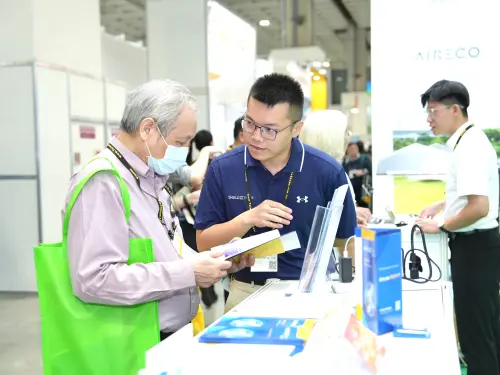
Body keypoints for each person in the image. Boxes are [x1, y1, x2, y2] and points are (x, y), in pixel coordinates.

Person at [66, 79, 254, 340]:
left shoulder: (151, 177)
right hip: (133, 342)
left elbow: (168, 249)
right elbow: (94, 280)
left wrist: (214, 261)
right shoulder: (104, 183)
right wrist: (188, 272)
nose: (185, 151)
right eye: (180, 141)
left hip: (168, 334)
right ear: (147, 129)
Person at [194, 73, 357, 312]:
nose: (256, 137)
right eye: (250, 123)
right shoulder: (223, 168)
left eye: (270, 130)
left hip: (308, 292)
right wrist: (246, 219)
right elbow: (203, 242)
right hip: (244, 291)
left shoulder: (326, 171)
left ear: (296, 128)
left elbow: (347, 242)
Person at [415, 80, 500, 375]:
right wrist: (443, 205)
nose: (429, 119)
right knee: (486, 329)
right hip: (480, 247)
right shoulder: (469, 141)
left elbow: (479, 207)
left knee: (476, 335)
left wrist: (440, 225)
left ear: (454, 109)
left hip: (475, 249)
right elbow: (470, 194)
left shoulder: (470, 147)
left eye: (433, 111)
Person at [300, 109, 372, 226]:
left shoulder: (336, 171)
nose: (348, 137)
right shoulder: (311, 176)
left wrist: (352, 214)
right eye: (346, 132)